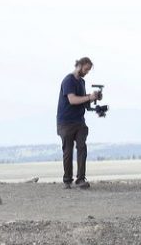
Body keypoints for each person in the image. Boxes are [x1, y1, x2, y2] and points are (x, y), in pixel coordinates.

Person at [56, 57, 99, 189]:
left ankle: (80, 179)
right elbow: (73, 100)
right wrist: (89, 97)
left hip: (79, 122)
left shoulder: (82, 82)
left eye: (88, 70)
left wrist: (93, 98)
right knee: (68, 151)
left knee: (82, 148)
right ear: (79, 65)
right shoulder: (68, 80)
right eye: (86, 69)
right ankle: (67, 180)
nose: (86, 72)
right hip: (66, 122)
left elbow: (83, 101)